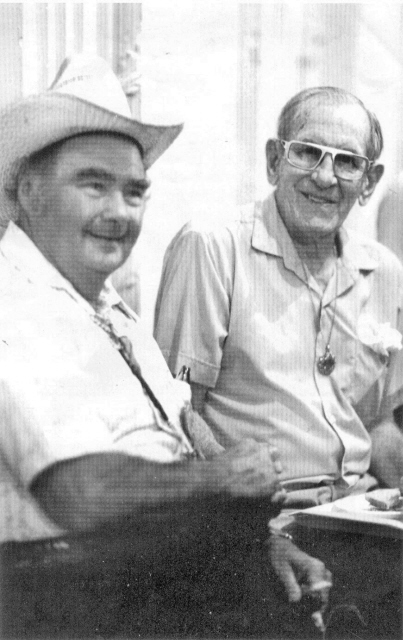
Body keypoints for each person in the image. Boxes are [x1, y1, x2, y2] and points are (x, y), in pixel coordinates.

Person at [0, 55, 330, 638]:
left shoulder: (107, 310)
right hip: (74, 598)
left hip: (165, 578)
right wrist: (218, 479)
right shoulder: (17, 305)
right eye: (93, 185)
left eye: (134, 192)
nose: (118, 213)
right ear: (28, 190)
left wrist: (262, 545)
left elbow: (180, 435)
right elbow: (77, 495)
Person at [154, 87, 403, 637]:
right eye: (307, 153)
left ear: (369, 183)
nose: (325, 177)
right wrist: (256, 534)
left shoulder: (384, 273)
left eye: (347, 163)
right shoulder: (212, 247)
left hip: (365, 522)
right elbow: (177, 419)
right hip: (262, 526)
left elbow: (380, 424)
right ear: (273, 159)